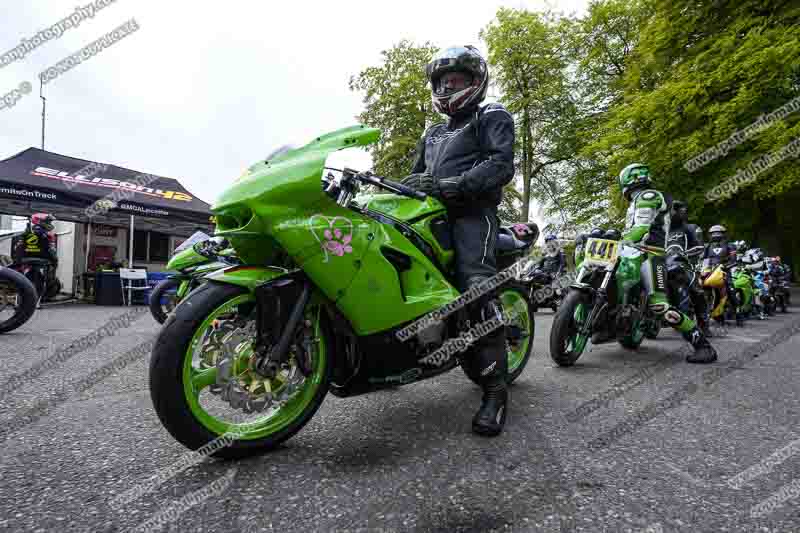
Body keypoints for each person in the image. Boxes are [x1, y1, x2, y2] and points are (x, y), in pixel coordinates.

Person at [401, 45, 515, 436]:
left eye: (457, 80)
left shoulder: (492, 115)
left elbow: (500, 164)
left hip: (473, 214)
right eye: (443, 81)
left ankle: (496, 392)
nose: (449, 86)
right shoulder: (432, 133)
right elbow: (416, 177)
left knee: (475, 288)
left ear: (476, 81)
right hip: (429, 217)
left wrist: (450, 186)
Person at [618, 163, 717, 363]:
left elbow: (642, 228)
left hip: (652, 256)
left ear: (629, 180)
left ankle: (703, 346)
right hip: (633, 253)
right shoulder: (635, 203)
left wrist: (621, 241)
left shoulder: (648, 196)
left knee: (659, 306)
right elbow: (632, 231)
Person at [667, 200, 711, 336]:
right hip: (663, 263)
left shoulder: (690, 228)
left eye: (676, 209)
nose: (673, 212)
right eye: (671, 209)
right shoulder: (662, 231)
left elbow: (699, 246)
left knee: (697, 292)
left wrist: (685, 254)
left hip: (686, 265)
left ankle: (703, 325)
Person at [702, 225, 743, 326]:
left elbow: (734, 260)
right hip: (709, 272)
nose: (716, 235)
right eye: (713, 233)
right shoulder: (707, 246)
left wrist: (726, 266)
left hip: (724, 271)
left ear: (724, 234)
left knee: (731, 291)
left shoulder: (730, 245)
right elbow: (703, 259)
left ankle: (738, 315)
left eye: (718, 233)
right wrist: (701, 268)